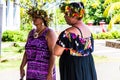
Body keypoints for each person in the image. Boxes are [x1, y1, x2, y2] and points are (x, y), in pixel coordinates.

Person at [54, 2, 97, 80]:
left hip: (73, 67)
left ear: (73, 15)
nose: (64, 16)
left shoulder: (68, 33)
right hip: (87, 65)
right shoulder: (88, 30)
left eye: (66, 14)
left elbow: (56, 52)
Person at [20, 6, 57, 80]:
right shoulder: (31, 33)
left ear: (43, 19)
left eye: (36, 17)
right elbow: (27, 52)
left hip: (45, 71)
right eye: (33, 17)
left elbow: (53, 53)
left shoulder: (49, 32)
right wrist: (22, 66)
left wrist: (49, 72)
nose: (34, 19)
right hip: (31, 70)